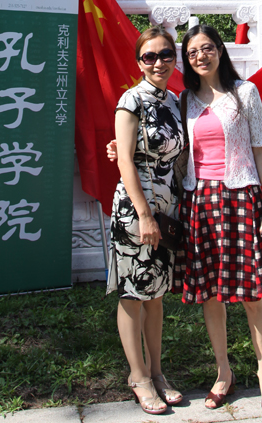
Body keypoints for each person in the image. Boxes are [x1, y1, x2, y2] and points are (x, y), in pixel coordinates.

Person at [173, 24, 262, 415]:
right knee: (211, 294)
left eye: (207, 48)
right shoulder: (183, 100)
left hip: (240, 198)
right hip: (200, 201)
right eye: (192, 52)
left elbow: (261, 153)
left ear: (220, 49)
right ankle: (224, 372)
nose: (200, 56)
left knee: (252, 294)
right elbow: (171, 150)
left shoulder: (245, 93)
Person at [106, 25, 184, 415]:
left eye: (165, 54)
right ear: (139, 62)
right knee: (134, 294)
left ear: (174, 57)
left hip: (167, 208)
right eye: (149, 57)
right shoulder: (130, 100)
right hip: (137, 210)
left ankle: (157, 372)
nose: (158, 62)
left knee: (156, 294)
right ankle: (137, 375)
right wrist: (144, 215)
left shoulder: (173, 100)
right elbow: (124, 160)